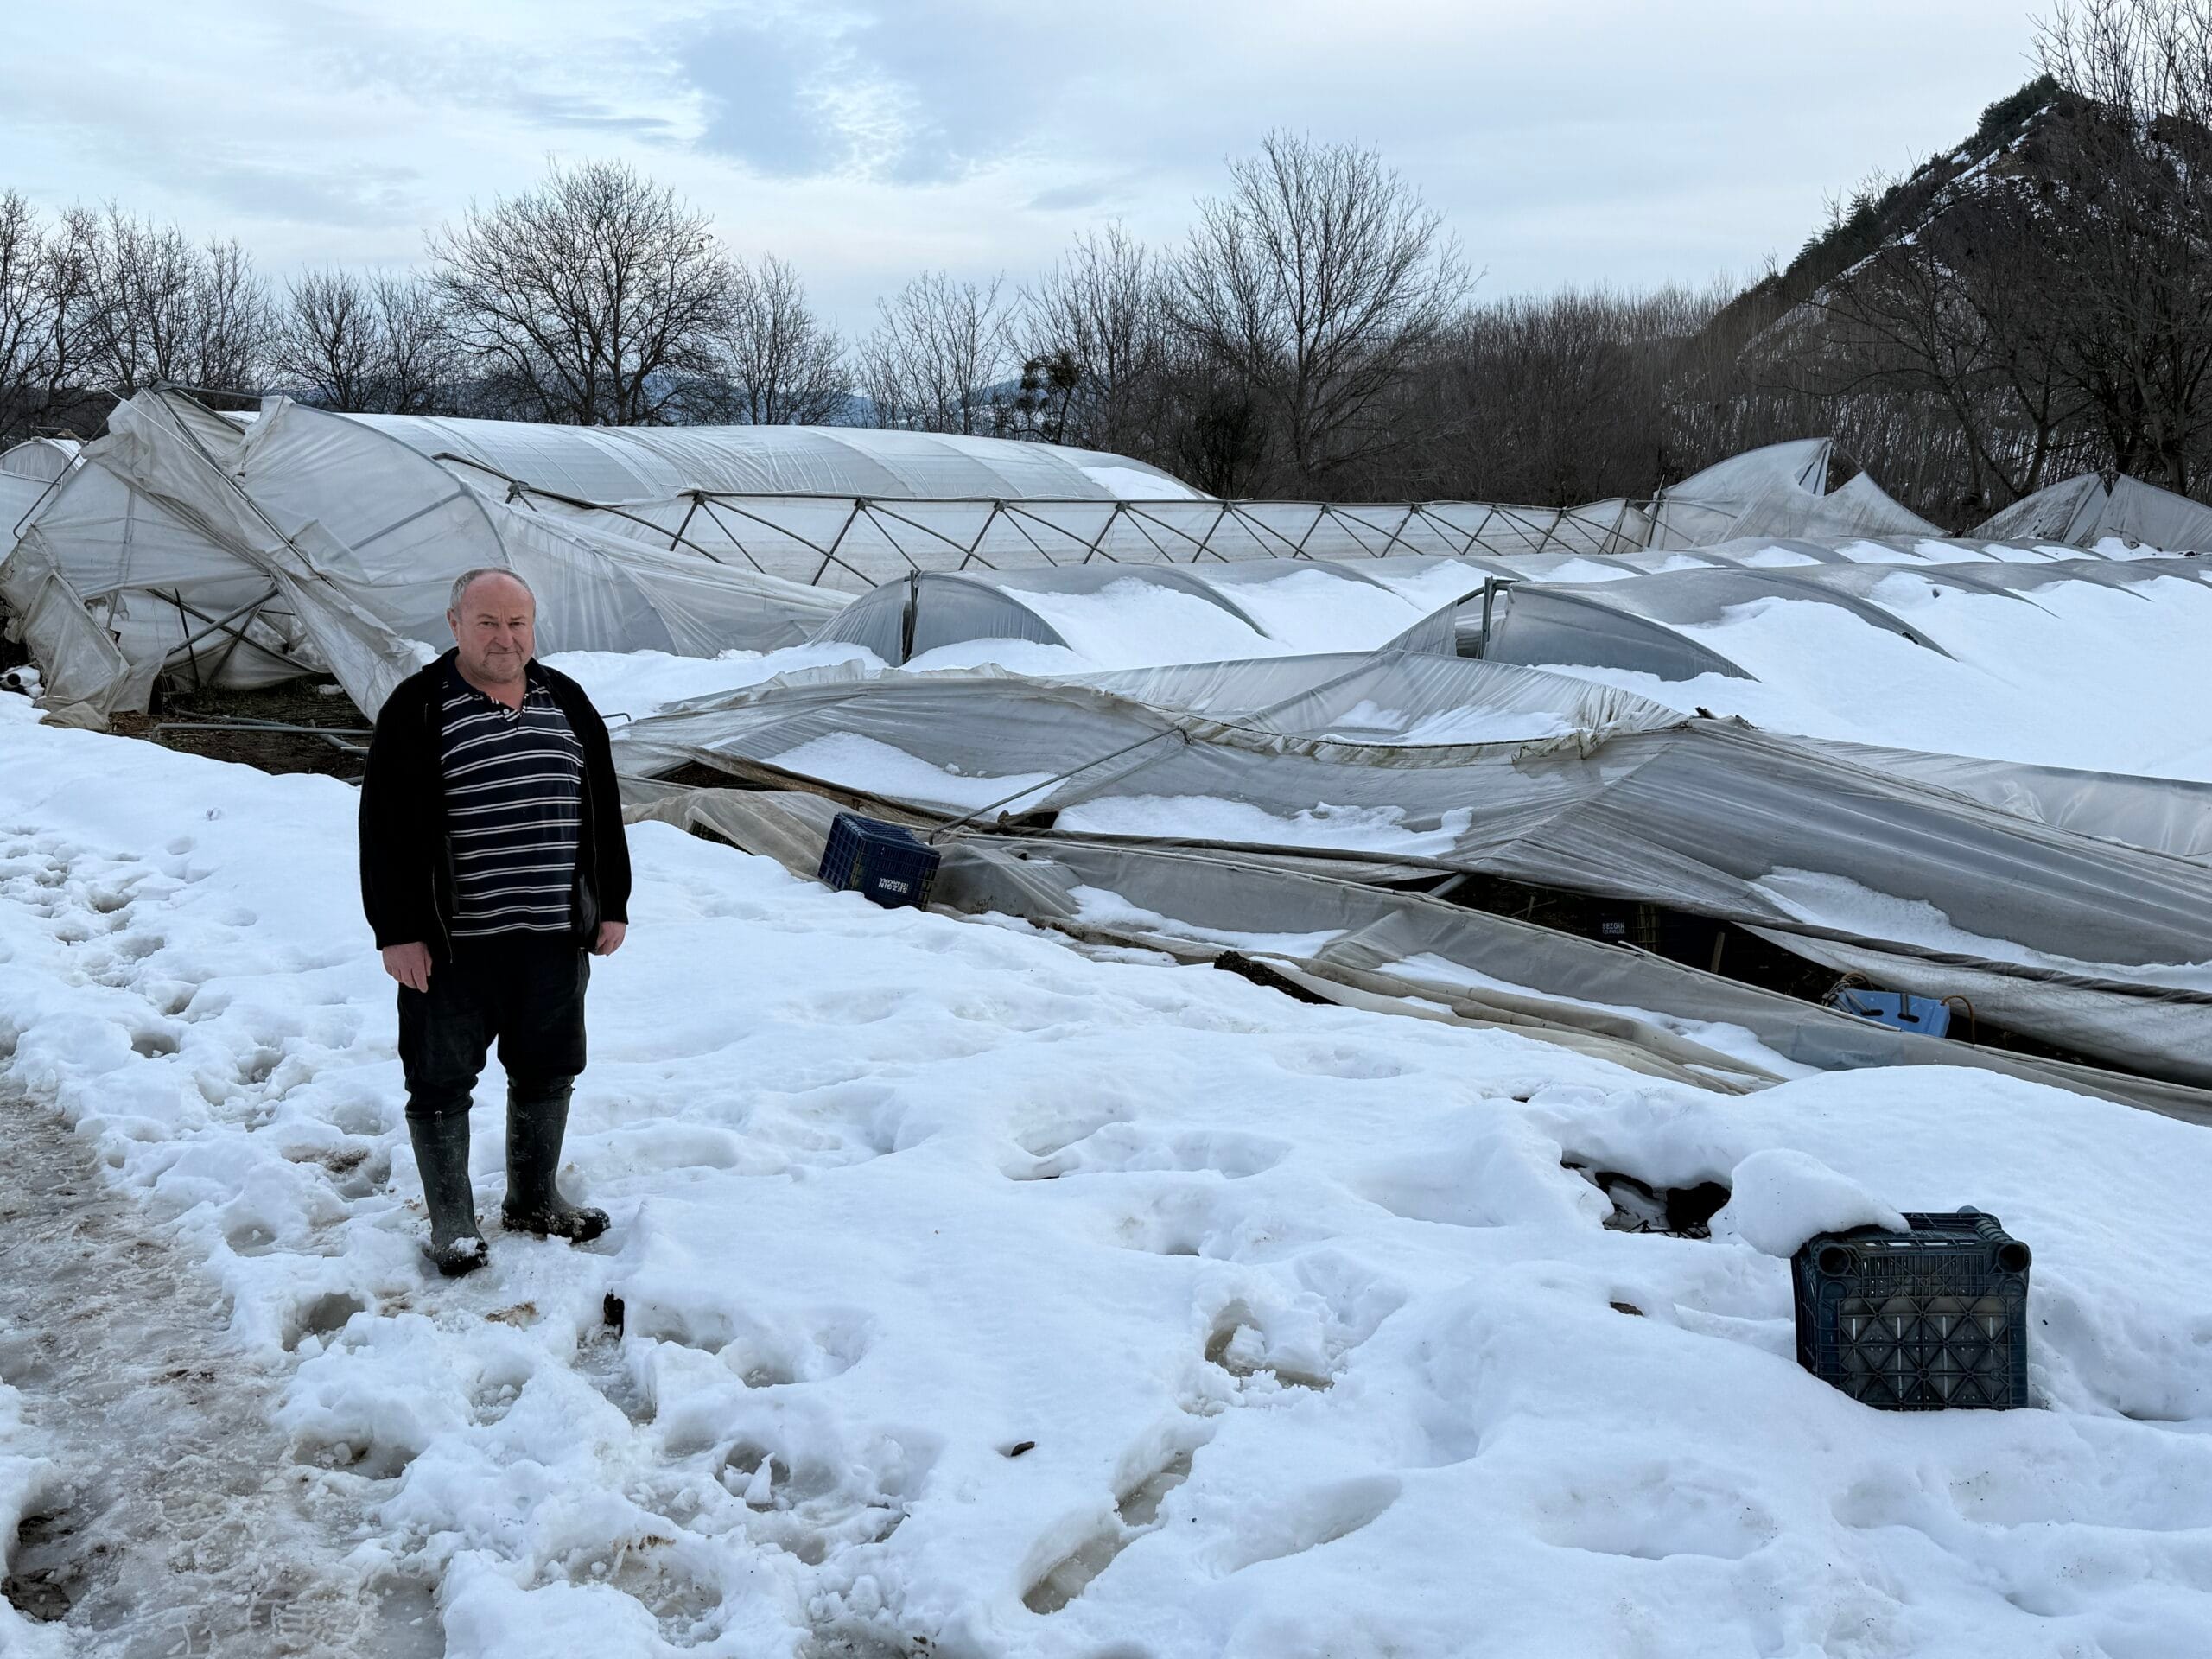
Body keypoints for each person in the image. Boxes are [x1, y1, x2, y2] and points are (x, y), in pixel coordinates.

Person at [358, 568, 632, 1275]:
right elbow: (383, 829)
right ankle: (451, 1218)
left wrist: (613, 902)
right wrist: (397, 930)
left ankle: (533, 1198)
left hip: (551, 935)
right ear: (454, 625)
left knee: (549, 1068)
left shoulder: (565, 699)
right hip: (453, 944)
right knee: (440, 1078)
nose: (505, 638)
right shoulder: (419, 708)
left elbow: (601, 807)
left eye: (518, 623)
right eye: (488, 623)